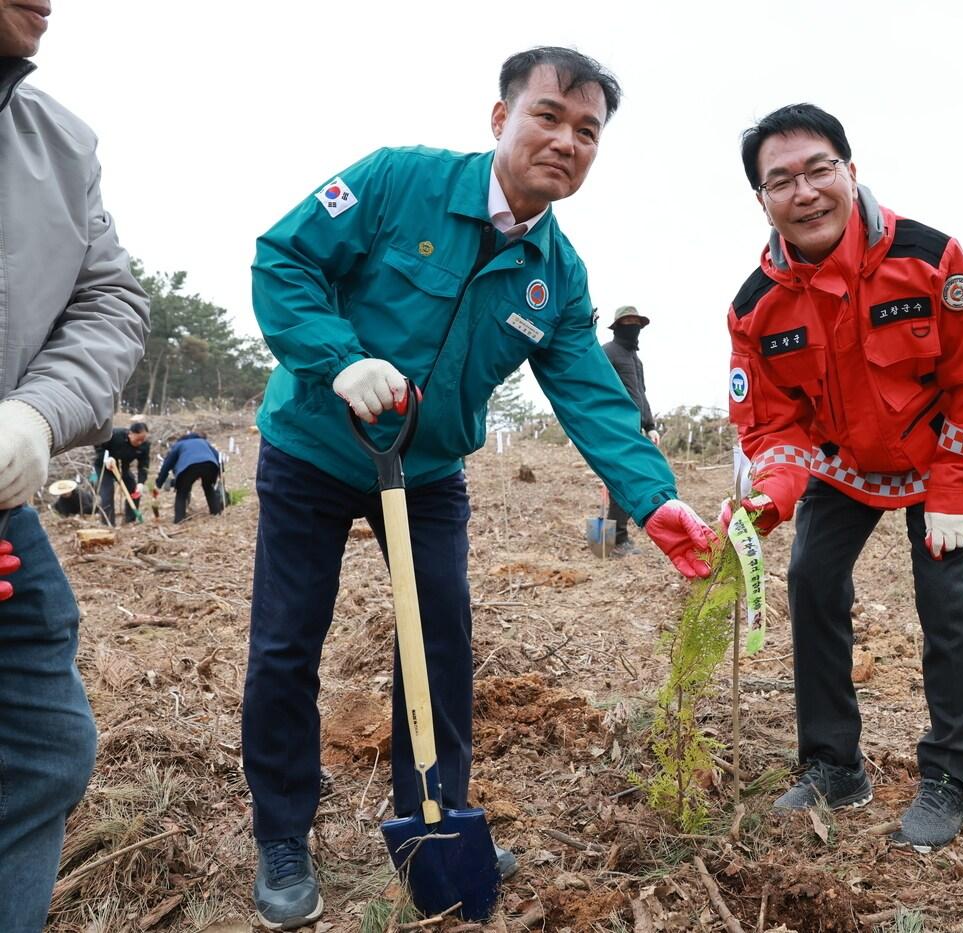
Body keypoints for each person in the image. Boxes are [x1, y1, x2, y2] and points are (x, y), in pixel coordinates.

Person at [245, 47, 718, 929]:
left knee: (441, 643)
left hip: (425, 471)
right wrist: (342, 361)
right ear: (500, 120)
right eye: (548, 116)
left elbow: (590, 394)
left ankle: (433, 822)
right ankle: (282, 835)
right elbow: (283, 261)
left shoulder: (556, 273)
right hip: (315, 443)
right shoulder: (396, 183)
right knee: (286, 643)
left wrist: (654, 499)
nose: (566, 142)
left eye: (588, 132)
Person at [723, 104, 963, 852]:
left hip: (935, 456)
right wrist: (772, 498)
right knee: (811, 580)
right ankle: (833, 763)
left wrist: (954, 493)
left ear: (850, 170)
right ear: (761, 200)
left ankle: (951, 771)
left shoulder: (930, 258)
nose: (805, 191)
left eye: (819, 169)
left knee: (945, 603)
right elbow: (772, 424)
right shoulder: (756, 305)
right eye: (780, 180)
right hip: (842, 466)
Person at [0, 3, 151, 928]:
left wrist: (35, 412)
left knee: (43, 740)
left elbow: (110, 299)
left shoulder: (58, 142)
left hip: (11, 484)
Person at [600, 305, 659, 557]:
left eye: (636, 322)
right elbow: (598, 390)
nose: (632, 327)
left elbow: (641, 394)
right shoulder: (606, 353)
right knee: (620, 481)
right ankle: (616, 541)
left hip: (634, 429)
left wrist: (650, 425)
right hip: (614, 428)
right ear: (617, 326)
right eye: (628, 322)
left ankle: (606, 539)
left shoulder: (637, 360)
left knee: (621, 481)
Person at [155, 432, 224, 523]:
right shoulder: (203, 442)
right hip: (210, 465)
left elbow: (167, 464)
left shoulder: (178, 445)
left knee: (182, 493)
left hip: (188, 467)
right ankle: (216, 513)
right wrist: (221, 472)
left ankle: (179, 519)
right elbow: (218, 456)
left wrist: (159, 482)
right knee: (208, 487)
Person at [92, 420, 150, 524]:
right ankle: (108, 523)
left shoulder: (145, 445)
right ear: (130, 433)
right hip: (104, 465)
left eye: (143, 440)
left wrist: (141, 482)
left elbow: (143, 465)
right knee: (107, 492)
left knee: (134, 489)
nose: (140, 443)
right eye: (138, 440)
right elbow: (98, 445)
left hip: (123, 467)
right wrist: (107, 458)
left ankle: (130, 520)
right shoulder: (115, 435)